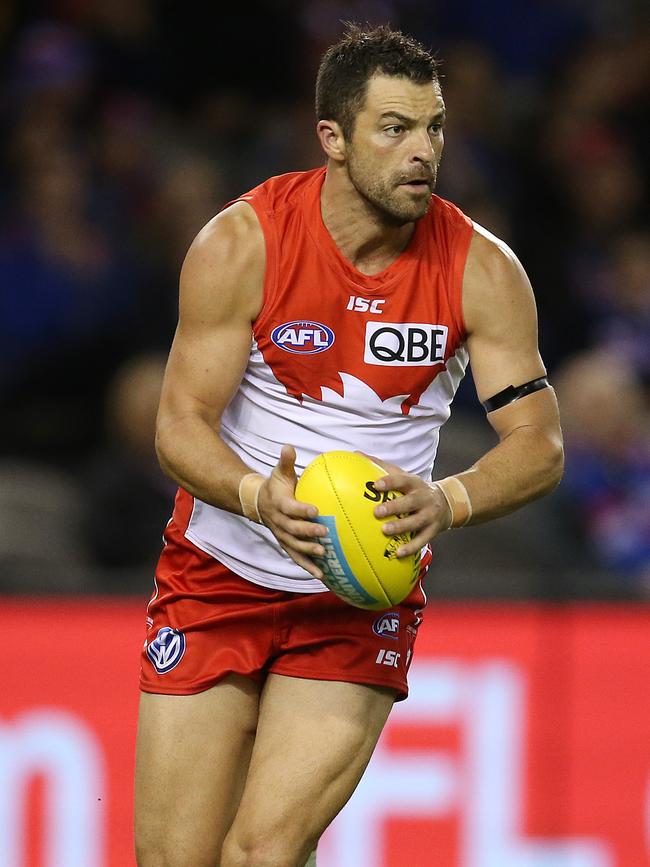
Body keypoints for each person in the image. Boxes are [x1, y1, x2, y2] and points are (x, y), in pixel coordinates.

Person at [135, 24, 563, 867]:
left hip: (360, 597)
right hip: (217, 573)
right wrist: (258, 494)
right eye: (394, 128)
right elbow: (178, 423)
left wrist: (450, 498)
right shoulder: (242, 242)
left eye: (435, 127)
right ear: (332, 137)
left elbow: (540, 443)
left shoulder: (483, 268)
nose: (422, 152)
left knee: (263, 851)